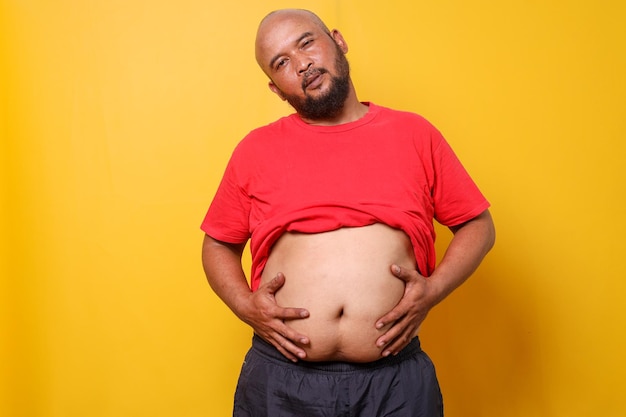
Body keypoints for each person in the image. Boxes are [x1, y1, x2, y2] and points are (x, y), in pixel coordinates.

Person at [201, 8, 495, 417]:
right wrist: (244, 306)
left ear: (337, 41)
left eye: (306, 43)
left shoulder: (414, 134)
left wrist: (434, 289)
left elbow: (477, 225)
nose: (302, 64)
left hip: (394, 381)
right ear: (275, 88)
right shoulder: (256, 149)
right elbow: (217, 243)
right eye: (282, 62)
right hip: (280, 381)